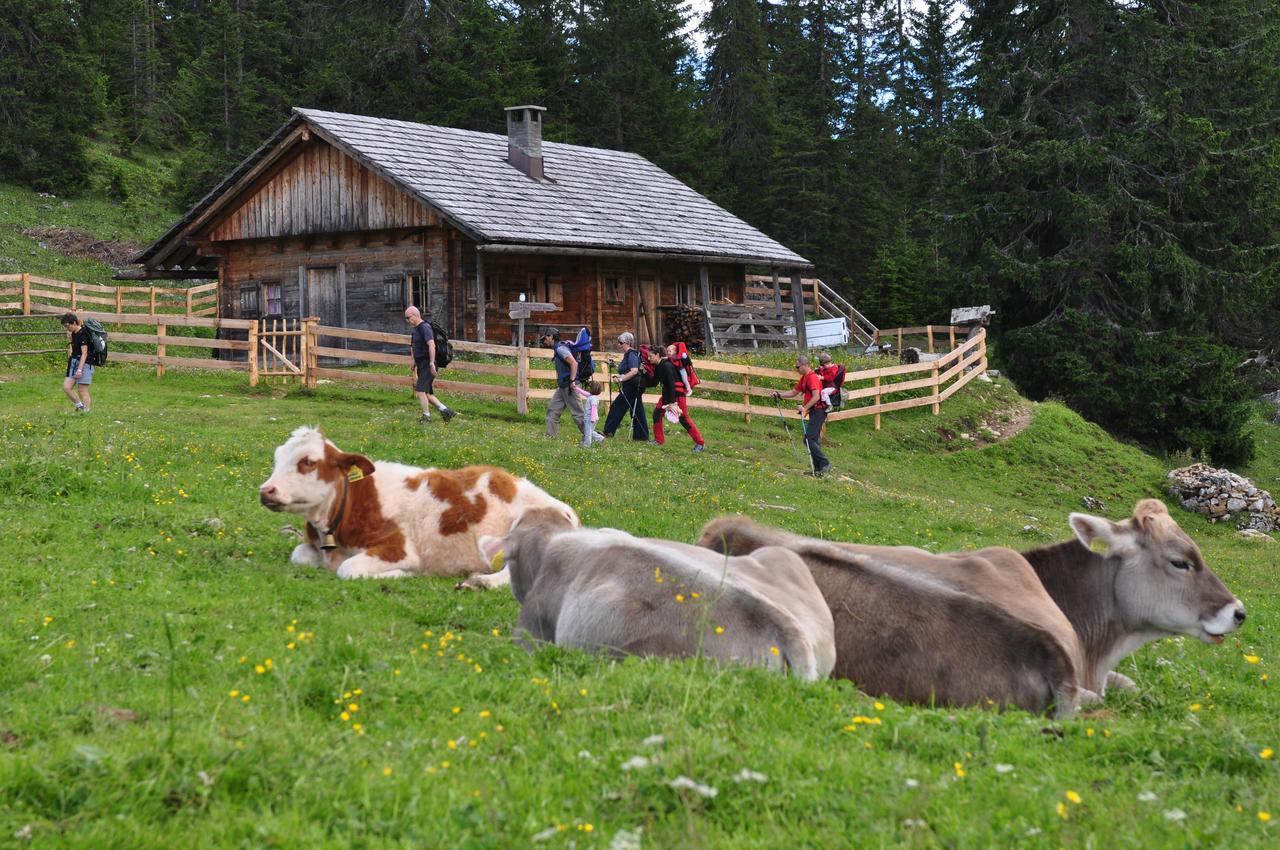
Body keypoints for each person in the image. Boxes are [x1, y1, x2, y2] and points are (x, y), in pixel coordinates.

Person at [773, 356, 831, 476]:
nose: (796, 369)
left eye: (797, 367)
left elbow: (816, 396)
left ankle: (825, 463)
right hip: (814, 411)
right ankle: (818, 470)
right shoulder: (804, 378)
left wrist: (804, 408)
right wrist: (779, 395)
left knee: (808, 439)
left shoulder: (812, 378)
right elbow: (794, 392)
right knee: (813, 440)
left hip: (819, 411)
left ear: (804, 365)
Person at [404, 306, 456, 423]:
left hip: (428, 363)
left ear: (416, 315)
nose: (407, 321)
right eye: (406, 319)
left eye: (408, 318)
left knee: (421, 390)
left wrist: (432, 363)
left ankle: (426, 417)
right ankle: (447, 412)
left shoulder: (425, 327)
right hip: (421, 364)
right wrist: (413, 360)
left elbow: (431, 345)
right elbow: (413, 346)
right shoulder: (416, 329)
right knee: (427, 393)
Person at [650, 343, 705, 452]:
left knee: (683, 418)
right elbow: (654, 381)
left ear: (657, 355)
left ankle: (700, 443)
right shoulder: (658, 366)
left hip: (677, 395)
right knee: (657, 414)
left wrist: (673, 403)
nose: (648, 358)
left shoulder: (667, 366)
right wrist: (642, 373)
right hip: (667, 394)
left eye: (650, 356)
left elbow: (671, 384)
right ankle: (658, 440)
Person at [601, 332, 648, 441]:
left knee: (617, 407)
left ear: (627, 343)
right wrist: (615, 366)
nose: (619, 345)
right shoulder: (629, 354)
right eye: (618, 343)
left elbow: (634, 371)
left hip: (631, 387)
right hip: (634, 386)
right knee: (637, 410)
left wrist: (621, 378)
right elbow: (626, 370)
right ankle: (641, 436)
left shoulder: (631, 354)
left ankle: (608, 431)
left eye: (621, 343)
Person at [542, 327, 586, 439]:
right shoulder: (558, 348)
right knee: (552, 411)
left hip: (570, 386)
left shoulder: (561, 349)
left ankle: (594, 437)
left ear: (551, 337)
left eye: (545, 338)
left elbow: (574, 364)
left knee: (578, 415)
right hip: (562, 387)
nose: (545, 341)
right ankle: (550, 436)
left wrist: (572, 381)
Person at [60, 312, 93, 413]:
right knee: (67, 387)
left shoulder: (83, 334)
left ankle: (87, 412)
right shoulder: (74, 333)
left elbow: (84, 353)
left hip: (85, 363)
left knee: (82, 389)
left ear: (74, 323)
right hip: (73, 362)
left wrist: (79, 369)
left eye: (67, 326)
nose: (67, 328)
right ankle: (80, 406)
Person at [573, 380, 607, 447]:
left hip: (590, 419)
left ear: (592, 389)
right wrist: (577, 388)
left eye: (590, 387)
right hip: (589, 418)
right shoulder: (591, 396)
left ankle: (587, 445)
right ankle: (600, 438)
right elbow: (584, 393)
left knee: (588, 432)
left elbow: (594, 408)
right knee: (589, 431)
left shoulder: (593, 398)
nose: (588, 388)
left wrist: (592, 418)